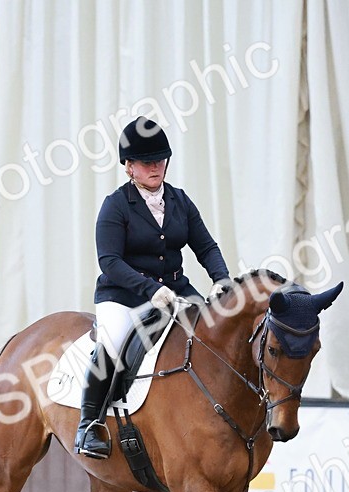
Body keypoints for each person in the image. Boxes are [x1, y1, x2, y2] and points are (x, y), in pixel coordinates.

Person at [74, 116, 233, 459]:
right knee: (112, 346)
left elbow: (205, 246)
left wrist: (221, 279)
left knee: (214, 334)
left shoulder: (179, 201)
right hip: (124, 296)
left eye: (160, 160)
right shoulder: (116, 206)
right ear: (129, 166)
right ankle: (89, 425)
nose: (156, 167)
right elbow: (110, 262)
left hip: (175, 291)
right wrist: (149, 289)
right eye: (147, 162)